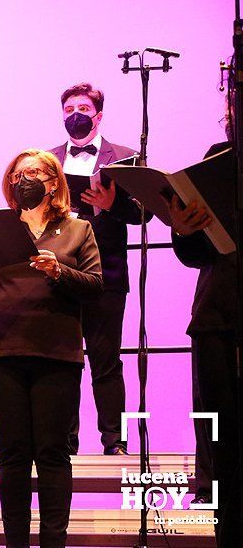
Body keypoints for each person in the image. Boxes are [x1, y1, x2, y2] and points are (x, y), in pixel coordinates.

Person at [0, 149, 102, 547]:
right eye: (17, 174)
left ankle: (54, 542)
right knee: (13, 457)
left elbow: (95, 284)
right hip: (2, 353)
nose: (24, 180)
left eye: (33, 172)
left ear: (53, 182)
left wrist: (59, 270)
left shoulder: (77, 228)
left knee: (53, 454)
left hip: (56, 354)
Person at [47, 83, 146, 456]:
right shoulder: (48, 159)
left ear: (98, 115)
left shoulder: (125, 157)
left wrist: (109, 205)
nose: (76, 113)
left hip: (107, 272)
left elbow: (144, 212)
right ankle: (65, 441)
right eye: (69, 107)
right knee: (64, 360)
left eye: (84, 108)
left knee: (107, 359)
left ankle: (115, 441)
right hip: (59, 272)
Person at [168, 138, 239, 547]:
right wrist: (182, 229)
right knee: (221, 444)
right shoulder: (219, 154)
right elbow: (197, 253)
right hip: (218, 315)